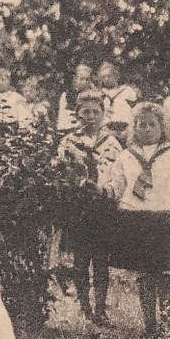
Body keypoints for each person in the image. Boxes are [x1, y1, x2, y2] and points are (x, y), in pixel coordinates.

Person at [105, 102, 170, 338]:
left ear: (162, 127)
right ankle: (149, 325)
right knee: (143, 275)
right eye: (140, 125)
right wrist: (108, 191)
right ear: (133, 128)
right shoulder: (126, 155)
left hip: (163, 219)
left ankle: (167, 325)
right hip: (135, 218)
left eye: (152, 125)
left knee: (164, 274)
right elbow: (118, 183)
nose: (146, 129)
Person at [55, 90, 123, 326]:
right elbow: (62, 173)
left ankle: (100, 308)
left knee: (101, 260)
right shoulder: (68, 142)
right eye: (85, 112)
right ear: (77, 115)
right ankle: (84, 305)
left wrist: (107, 190)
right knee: (81, 259)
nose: (91, 117)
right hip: (79, 208)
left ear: (104, 114)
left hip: (103, 207)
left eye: (96, 112)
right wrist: (78, 183)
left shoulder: (112, 143)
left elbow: (119, 174)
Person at [97, 61, 139, 139]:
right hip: (107, 131)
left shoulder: (127, 90)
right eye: (103, 77)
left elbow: (135, 111)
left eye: (109, 76)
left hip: (125, 130)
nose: (106, 79)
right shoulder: (99, 94)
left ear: (115, 76)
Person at [55, 62, 97, 132]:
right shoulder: (67, 95)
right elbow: (62, 119)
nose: (84, 82)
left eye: (87, 79)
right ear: (75, 79)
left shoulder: (93, 96)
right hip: (69, 129)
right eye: (81, 79)